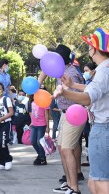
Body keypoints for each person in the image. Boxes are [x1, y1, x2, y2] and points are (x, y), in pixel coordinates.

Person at [54, 28, 109, 194]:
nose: (88, 49)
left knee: (102, 186)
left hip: (104, 131)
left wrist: (65, 92)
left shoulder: (103, 72)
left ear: (94, 49)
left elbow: (88, 97)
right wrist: (73, 85)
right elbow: (97, 89)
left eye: (90, 46)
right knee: (94, 184)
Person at [41, 44, 84, 194]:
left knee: (67, 149)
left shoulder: (70, 73)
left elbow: (76, 96)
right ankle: (69, 183)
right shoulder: (62, 72)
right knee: (62, 148)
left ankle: (74, 188)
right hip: (65, 114)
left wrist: (60, 93)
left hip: (74, 114)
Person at [80, 62, 97, 167]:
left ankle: (92, 158)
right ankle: (88, 157)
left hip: (94, 114)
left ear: (93, 71)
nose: (84, 73)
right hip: (85, 113)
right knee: (86, 134)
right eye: (84, 70)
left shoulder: (96, 83)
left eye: (86, 71)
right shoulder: (86, 82)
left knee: (91, 135)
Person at [30, 91, 50, 165]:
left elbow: (46, 114)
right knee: (32, 141)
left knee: (39, 141)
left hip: (41, 125)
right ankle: (41, 156)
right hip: (34, 125)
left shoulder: (44, 103)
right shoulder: (33, 103)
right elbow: (32, 114)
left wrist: (48, 126)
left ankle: (42, 158)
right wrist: (31, 123)